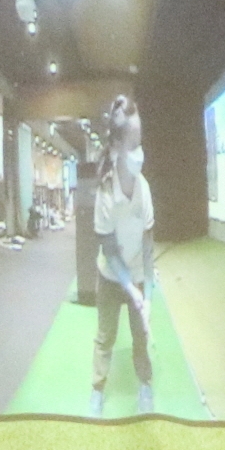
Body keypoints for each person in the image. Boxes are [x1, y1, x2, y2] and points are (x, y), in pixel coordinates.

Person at [91, 96, 157, 418]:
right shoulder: (105, 193)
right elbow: (110, 251)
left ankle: (145, 384)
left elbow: (148, 246)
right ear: (116, 146)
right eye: (132, 145)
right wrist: (131, 289)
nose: (139, 153)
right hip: (110, 274)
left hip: (137, 272)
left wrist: (149, 296)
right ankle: (97, 389)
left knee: (140, 336)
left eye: (140, 144)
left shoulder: (143, 189)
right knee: (105, 337)